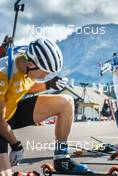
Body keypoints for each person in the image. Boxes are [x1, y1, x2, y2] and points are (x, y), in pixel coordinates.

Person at [0, 38, 90, 176]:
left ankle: (61, 159)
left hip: (13, 111)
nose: (45, 76)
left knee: (66, 102)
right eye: (44, 72)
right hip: (1, 122)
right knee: (5, 173)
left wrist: (48, 85)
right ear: (30, 64)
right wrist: (16, 145)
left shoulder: (27, 59)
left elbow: (24, 87)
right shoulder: (3, 73)